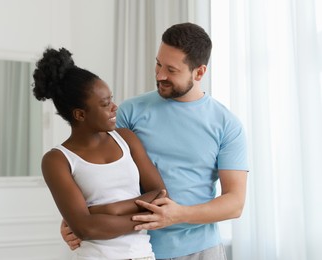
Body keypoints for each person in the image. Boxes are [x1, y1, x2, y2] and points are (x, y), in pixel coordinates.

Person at [61, 22, 249, 260]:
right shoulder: (129, 112)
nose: (160, 75)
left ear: (199, 72)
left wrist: (179, 214)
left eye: (171, 70)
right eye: (158, 63)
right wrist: (74, 217)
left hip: (201, 251)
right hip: (132, 248)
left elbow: (234, 203)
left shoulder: (227, 125)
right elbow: (95, 169)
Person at [33, 47, 167, 260]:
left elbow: (160, 193)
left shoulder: (126, 138)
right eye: (105, 104)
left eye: (111, 99)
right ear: (80, 114)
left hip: (143, 256)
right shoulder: (57, 160)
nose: (115, 107)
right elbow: (86, 229)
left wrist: (106, 211)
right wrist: (144, 214)